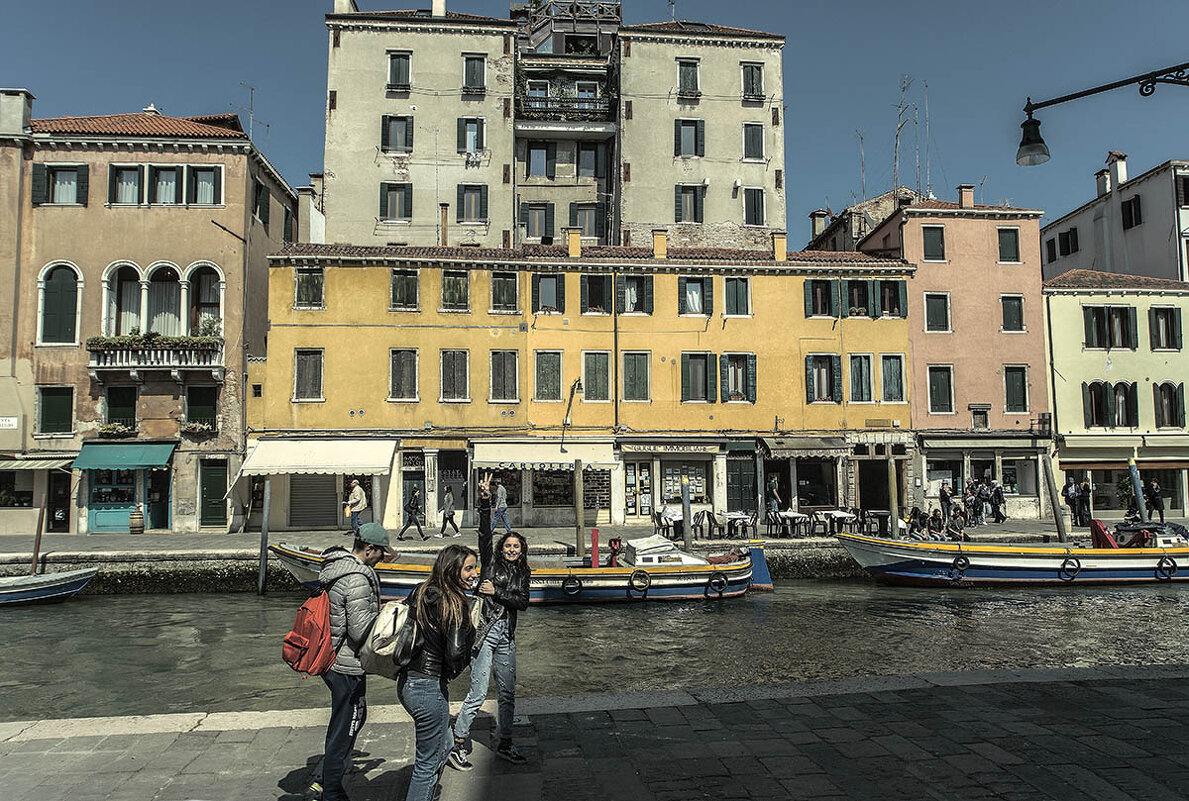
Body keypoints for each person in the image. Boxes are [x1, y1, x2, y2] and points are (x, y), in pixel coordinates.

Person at [311, 522, 388, 801]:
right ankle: (329, 789)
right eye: (380, 553)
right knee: (347, 724)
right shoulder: (356, 578)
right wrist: (390, 622)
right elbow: (359, 629)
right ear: (369, 549)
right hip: (346, 663)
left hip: (332, 659)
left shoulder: (337, 568)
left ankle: (324, 778)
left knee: (352, 717)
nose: (382, 558)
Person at [399, 545, 479, 801]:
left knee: (444, 747)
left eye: (474, 567)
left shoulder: (420, 591)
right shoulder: (456, 603)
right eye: (468, 568)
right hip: (428, 687)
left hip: (407, 682)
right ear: (452, 568)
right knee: (426, 765)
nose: (474, 574)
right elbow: (455, 655)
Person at [449, 530, 532, 771]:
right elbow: (484, 537)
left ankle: (505, 742)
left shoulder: (523, 572)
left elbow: (523, 603)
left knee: (507, 693)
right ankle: (458, 740)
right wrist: (485, 501)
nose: (512, 550)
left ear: (522, 549)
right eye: (508, 546)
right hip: (485, 634)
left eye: (516, 546)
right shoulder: (490, 565)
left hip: (507, 635)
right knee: (479, 691)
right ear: (501, 548)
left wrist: (497, 592)